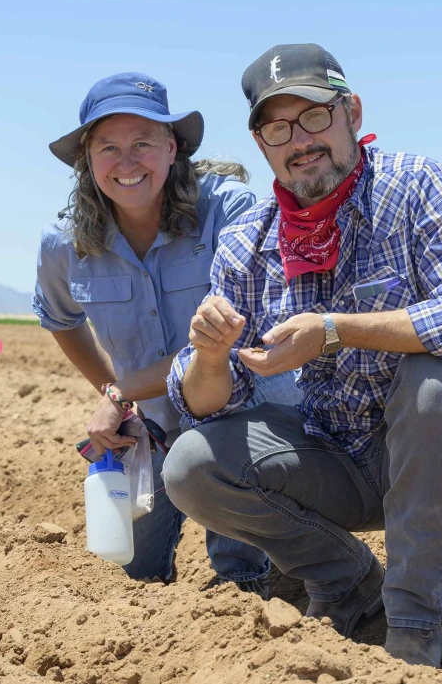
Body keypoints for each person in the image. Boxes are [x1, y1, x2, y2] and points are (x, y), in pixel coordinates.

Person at [161, 45, 442, 668]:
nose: (299, 140)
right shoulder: (249, 243)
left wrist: (337, 330)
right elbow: (200, 402)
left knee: (432, 379)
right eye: (277, 128)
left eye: (313, 117)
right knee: (191, 466)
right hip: (339, 460)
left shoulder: (415, 187)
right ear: (261, 145)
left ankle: (412, 631)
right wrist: (210, 355)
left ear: (351, 113)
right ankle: (349, 580)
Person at [32, 71, 300, 596]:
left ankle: (254, 584)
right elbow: (60, 320)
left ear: (172, 147)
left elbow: (231, 342)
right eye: (108, 147)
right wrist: (123, 399)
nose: (126, 163)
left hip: (242, 415)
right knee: (131, 579)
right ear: (87, 157)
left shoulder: (229, 213)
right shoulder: (63, 246)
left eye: (143, 144)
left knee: (239, 585)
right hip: (155, 427)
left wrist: (121, 391)